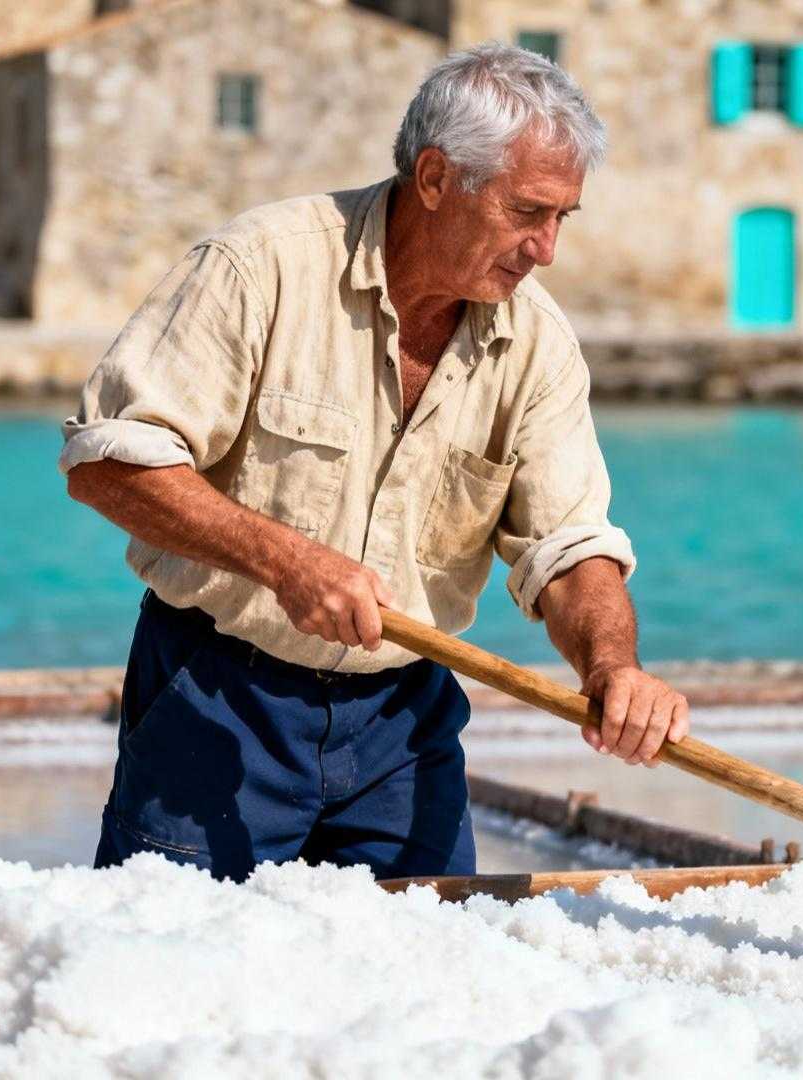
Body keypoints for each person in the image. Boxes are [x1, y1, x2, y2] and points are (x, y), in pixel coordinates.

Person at [60, 44, 689, 882]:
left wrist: (615, 669)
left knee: (422, 978)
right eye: (528, 212)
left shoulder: (539, 345)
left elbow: (571, 548)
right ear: (435, 179)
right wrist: (283, 560)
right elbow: (107, 461)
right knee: (185, 985)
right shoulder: (260, 266)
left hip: (405, 718)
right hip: (217, 699)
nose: (546, 250)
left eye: (562, 219)